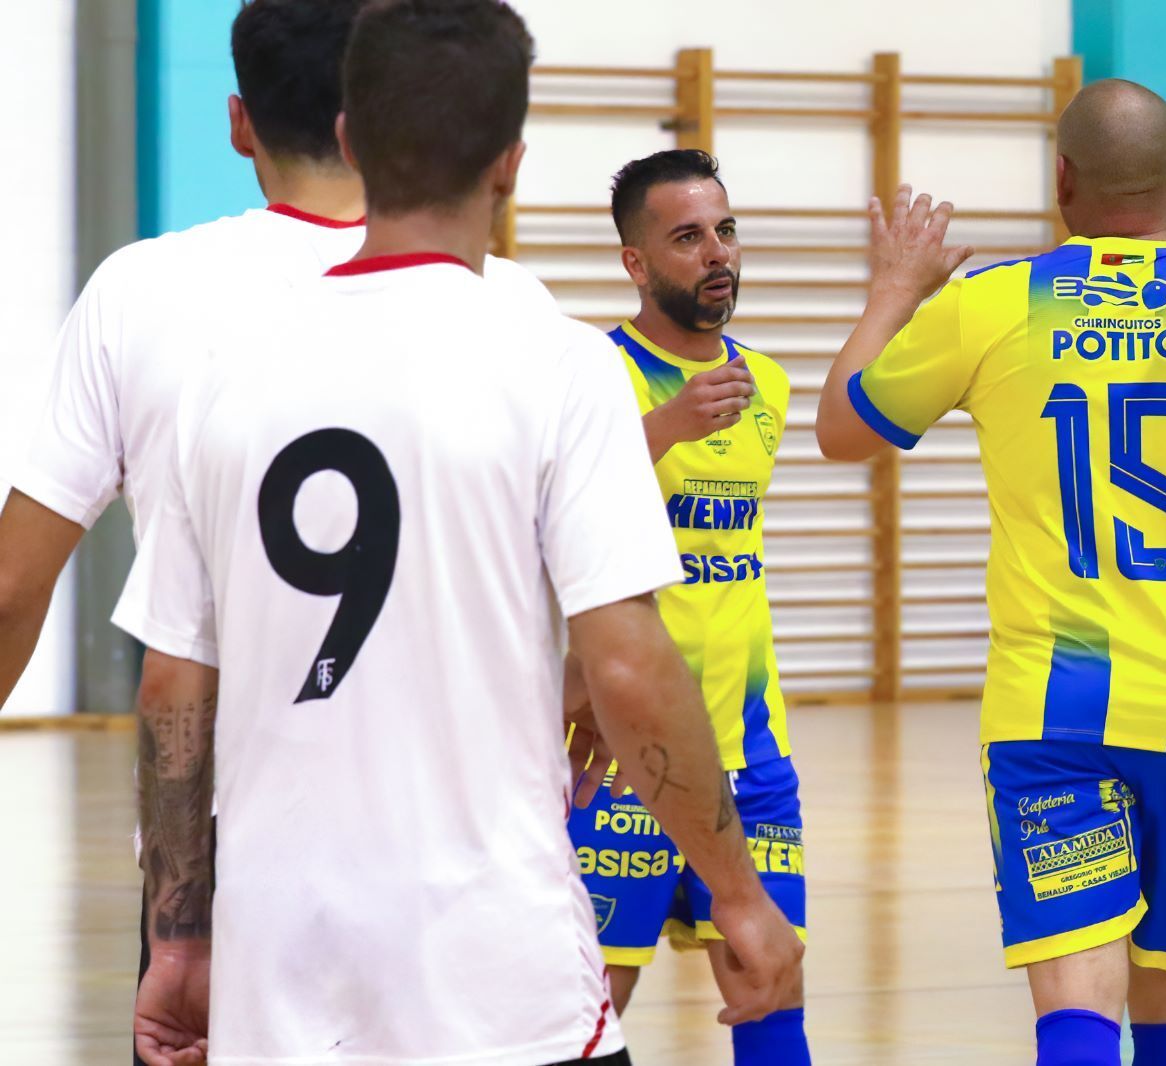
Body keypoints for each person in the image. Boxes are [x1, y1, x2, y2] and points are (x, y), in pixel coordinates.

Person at [111, 3, 801, 1065]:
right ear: (511, 162)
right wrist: (736, 891)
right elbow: (626, 662)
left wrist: (180, 929)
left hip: (279, 984)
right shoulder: (558, 364)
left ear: (349, 139)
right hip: (499, 979)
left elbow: (173, 687)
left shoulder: (222, 375)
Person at [814, 79, 1166, 1066]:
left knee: (1074, 997)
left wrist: (896, 290)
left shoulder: (992, 305)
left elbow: (841, 430)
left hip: (1049, 715)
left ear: (1059, 177)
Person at [0, 0, 556, 714]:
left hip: (222, 795)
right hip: (452, 798)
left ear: (239, 124)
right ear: (379, 120)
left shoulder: (137, 288)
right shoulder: (512, 303)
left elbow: (13, 586)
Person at [564, 148, 811, 1066]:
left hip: (751, 753)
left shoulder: (769, 386)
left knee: (770, 987)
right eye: (686, 238)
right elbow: (543, 524)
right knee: (584, 1012)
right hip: (618, 752)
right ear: (635, 263)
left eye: (725, 230)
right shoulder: (588, 375)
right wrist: (666, 429)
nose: (717, 254)